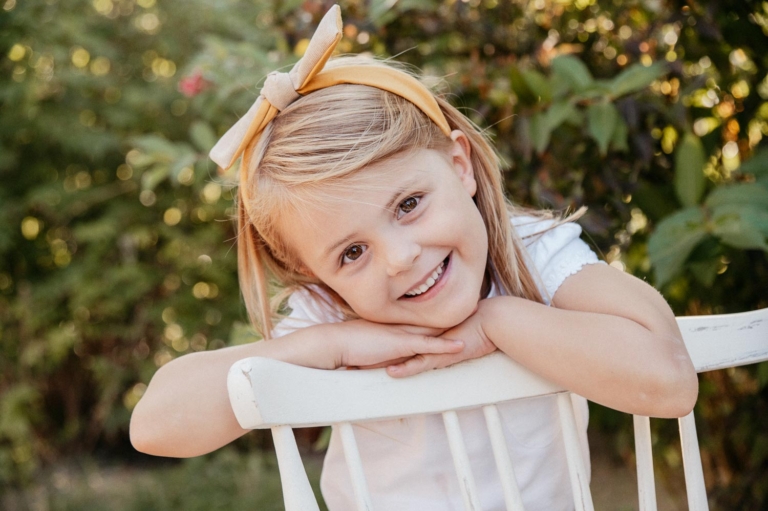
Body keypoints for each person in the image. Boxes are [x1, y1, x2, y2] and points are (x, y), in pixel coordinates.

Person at [130, 5, 698, 510]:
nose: (400, 258)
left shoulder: (530, 257)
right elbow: (155, 426)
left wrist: (496, 322)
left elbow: (669, 381)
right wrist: (329, 346)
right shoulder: (335, 313)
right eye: (352, 252)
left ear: (459, 165)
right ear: (315, 275)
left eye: (407, 205)